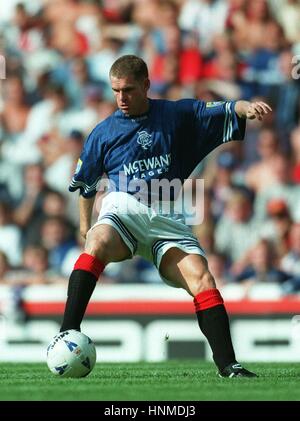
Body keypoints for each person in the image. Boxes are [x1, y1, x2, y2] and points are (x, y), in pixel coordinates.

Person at [60, 55, 272, 378]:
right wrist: (85, 225)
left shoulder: (176, 114)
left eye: (128, 90)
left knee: (202, 277)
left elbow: (224, 109)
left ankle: (229, 365)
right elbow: (86, 186)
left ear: (146, 85)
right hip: (124, 211)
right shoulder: (102, 133)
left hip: (167, 218)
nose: (121, 98)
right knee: (98, 241)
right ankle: (67, 334)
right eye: (116, 90)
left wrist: (247, 107)